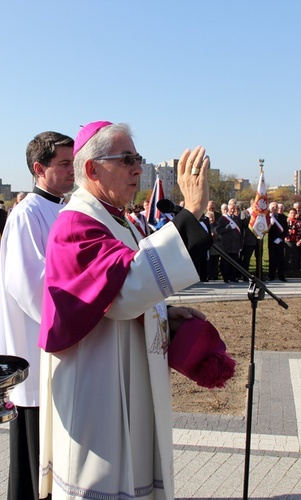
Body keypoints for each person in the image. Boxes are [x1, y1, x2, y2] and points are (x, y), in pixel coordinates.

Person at [38, 121, 212, 499]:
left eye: (139, 159)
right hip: (97, 382)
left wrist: (164, 313)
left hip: (126, 375)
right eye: (127, 159)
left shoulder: (120, 220)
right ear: (91, 169)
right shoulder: (76, 223)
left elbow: (131, 285)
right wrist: (191, 212)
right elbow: (122, 293)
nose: (138, 169)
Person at [0, 130, 75, 500]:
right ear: (39, 168)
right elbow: (30, 285)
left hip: (62, 351)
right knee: (34, 461)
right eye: (65, 164)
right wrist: (79, 317)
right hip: (38, 350)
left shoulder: (65, 209)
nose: (73, 170)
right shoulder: (27, 214)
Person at [216, 198, 243, 282]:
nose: (233, 210)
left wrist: (240, 244)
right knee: (226, 262)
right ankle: (226, 277)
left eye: (234, 209)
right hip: (226, 244)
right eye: (231, 209)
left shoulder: (237, 219)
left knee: (234, 262)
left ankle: (233, 277)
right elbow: (219, 230)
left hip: (235, 244)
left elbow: (240, 232)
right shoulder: (223, 219)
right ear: (227, 209)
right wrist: (228, 228)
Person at [267, 201, 287, 281]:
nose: (275, 209)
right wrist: (270, 224)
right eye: (273, 207)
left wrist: (281, 238)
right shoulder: (268, 217)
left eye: (276, 207)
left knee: (281, 259)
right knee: (272, 259)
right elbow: (265, 230)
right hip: (271, 241)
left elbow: (285, 230)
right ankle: (271, 276)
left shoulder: (282, 217)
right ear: (270, 208)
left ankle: (281, 276)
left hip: (280, 241)